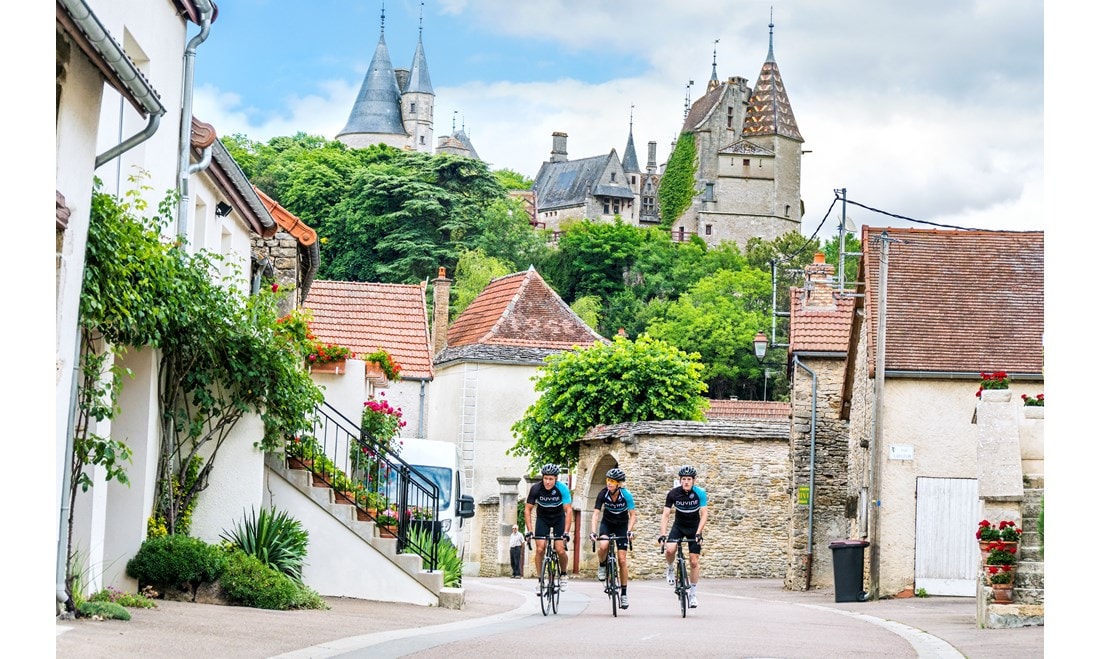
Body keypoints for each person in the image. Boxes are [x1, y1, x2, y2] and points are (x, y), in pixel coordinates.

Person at [658, 465, 708, 609]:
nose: (686, 482)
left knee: (693, 562)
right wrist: (663, 534)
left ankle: (692, 593)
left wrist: (699, 532)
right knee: (669, 550)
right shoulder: (673, 494)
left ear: (694, 481)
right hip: (679, 526)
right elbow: (666, 515)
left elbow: (704, 514)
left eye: (689, 479)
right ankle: (670, 568)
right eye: (684, 479)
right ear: (680, 480)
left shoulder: (700, 493)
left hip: (694, 528)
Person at [589, 467, 637, 609]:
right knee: (603, 545)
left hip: (622, 525)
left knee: (622, 560)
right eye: (608, 480)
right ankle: (603, 565)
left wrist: (629, 530)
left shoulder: (626, 495)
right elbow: (596, 514)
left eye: (613, 481)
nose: (609, 483)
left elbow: (633, 515)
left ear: (619, 484)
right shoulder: (603, 494)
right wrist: (593, 532)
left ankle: (624, 594)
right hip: (607, 524)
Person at [524, 463, 573, 592]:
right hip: (543, 519)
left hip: (558, 519)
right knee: (540, 549)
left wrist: (566, 532)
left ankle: (563, 575)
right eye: (545, 478)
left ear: (556, 479)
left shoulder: (562, 488)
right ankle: (540, 581)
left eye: (551, 479)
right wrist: (529, 531)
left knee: (560, 549)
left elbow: (568, 511)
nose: (547, 482)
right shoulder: (536, 489)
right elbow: (528, 510)